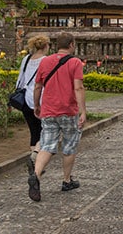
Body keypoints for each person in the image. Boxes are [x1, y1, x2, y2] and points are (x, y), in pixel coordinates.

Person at [27, 32, 86, 202]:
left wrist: (37, 105)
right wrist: (83, 111)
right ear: (72, 45)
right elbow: (78, 88)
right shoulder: (75, 62)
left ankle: (36, 175)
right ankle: (67, 180)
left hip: (49, 109)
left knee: (47, 145)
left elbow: (38, 86)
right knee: (69, 145)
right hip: (68, 110)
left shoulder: (45, 61)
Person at [16, 35, 50, 174]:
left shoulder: (26, 59)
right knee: (46, 130)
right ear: (46, 46)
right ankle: (35, 155)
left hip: (24, 99)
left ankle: (35, 162)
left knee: (34, 131)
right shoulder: (47, 61)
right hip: (40, 99)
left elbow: (20, 79)